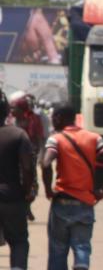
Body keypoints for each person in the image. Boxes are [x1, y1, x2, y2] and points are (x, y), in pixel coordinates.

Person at [41, 105, 103, 270]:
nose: (52, 120)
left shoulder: (56, 139)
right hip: (85, 202)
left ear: (60, 118)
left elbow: (46, 164)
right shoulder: (93, 138)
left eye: (54, 117)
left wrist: (48, 190)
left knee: (58, 246)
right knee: (82, 245)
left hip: (61, 201)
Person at [0, 100, 34, 270]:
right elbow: (27, 167)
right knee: (19, 241)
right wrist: (27, 191)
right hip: (12, 198)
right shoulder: (18, 135)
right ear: (7, 112)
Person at [7, 92, 44, 220]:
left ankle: (27, 207)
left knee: (31, 182)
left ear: (21, 109)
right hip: (12, 155)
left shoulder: (34, 119)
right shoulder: (10, 121)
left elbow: (39, 138)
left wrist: (40, 155)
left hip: (29, 155)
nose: (12, 110)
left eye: (14, 108)